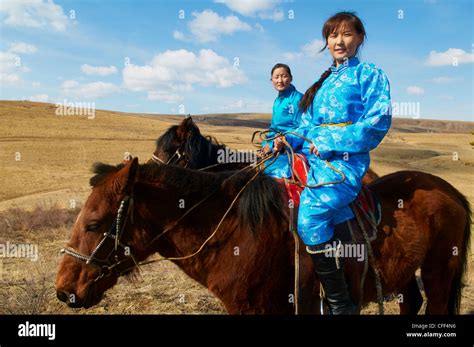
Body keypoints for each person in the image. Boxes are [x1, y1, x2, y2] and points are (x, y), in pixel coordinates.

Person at [274, 12, 392, 314]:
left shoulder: (369, 74)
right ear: (327, 41)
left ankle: (341, 304)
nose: (339, 41)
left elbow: (377, 123)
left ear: (360, 38)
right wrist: (288, 139)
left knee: (311, 214)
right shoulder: (323, 83)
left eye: (347, 34)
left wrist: (328, 142)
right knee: (272, 185)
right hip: (313, 159)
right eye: (333, 35)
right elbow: (306, 125)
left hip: (345, 164)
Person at [261, 63, 303, 178]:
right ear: (271, 81)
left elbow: (301, 127)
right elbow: (273, 127)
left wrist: (282, 142)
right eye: (276, 77)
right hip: (275, 145)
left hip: (290, 147)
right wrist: (267, 144)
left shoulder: (298, 99)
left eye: (284, 76)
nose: (280, 80)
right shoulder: (277, 101)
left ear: (290, 78)